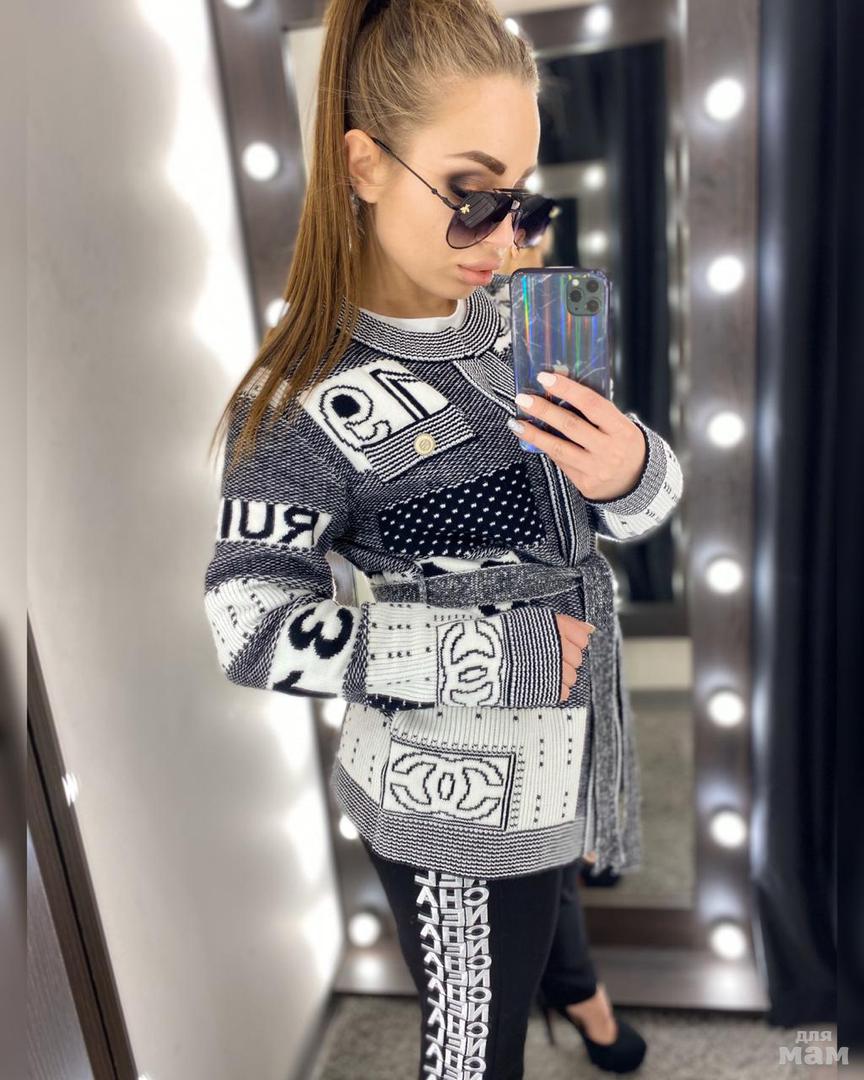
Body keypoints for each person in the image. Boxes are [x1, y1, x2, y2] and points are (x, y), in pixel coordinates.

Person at [203, 0, 684, 1075]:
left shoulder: (522, 323)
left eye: (521, 201)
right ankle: (573, 997)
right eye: (473, 198)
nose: (507, 239)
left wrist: (632, 471)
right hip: (451, 792)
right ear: (365, 165)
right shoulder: (298, 403)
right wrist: (489, 654)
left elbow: (630, 515)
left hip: (568, 733)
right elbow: (248, 620)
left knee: (555, 892)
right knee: (473, 1050)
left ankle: (582, 996)